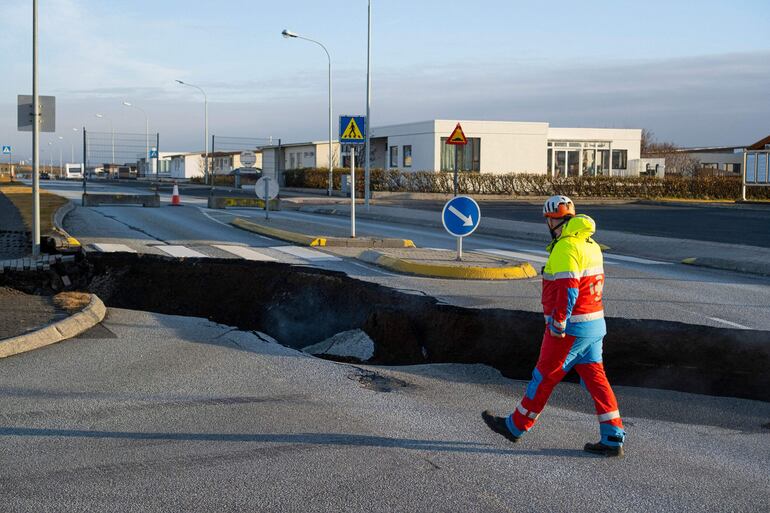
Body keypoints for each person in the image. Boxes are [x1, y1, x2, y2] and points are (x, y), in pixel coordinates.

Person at [482, 195, 626, 457]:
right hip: (594, 325)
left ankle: (515, 426)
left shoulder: (566, 247)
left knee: (543, 376)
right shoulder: (590, 244)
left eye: (548, 220)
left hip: (571, 328)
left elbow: (567, 289)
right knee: (597, 380)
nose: (548, 225)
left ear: (553, 221)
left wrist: (559, 322)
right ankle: (613, 435)